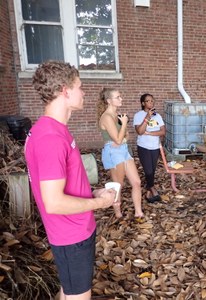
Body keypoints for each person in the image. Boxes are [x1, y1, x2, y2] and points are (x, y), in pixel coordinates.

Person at [25, 61, 116, 300]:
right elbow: (54, 202)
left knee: (69, 290)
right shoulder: (50, 137)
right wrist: (100, 204)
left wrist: (93, 194)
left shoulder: (55, 130)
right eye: (80, 86)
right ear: (65, 91)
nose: (84, 92)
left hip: (75, 230)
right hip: (70, 235)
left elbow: (63, 184)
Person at [97, 88, 144, 221]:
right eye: (118, 97)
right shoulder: (106, 117)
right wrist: (123, 124)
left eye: (120, 96)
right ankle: (118, 214)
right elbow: (117, 139)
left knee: (136, 181)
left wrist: (121, 136)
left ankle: (138, 212)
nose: (121, 99)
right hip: (113, 152)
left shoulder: (117, 115)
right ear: (109, 101)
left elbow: (126, 137)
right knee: (118, 184)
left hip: (123, 150)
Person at [133, 93, 165, 203]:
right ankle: (152, 189)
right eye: (148, 101)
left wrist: (150, 133)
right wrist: (147, 117)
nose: (151, 103)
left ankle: (148, 191)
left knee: (152, 170)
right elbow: (140, 132)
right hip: (144, 147)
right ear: (143, 103)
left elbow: (163, 132)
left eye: (152, 101)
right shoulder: (138, 115)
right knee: (148, 170)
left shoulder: (158, 116)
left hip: (155, 147)